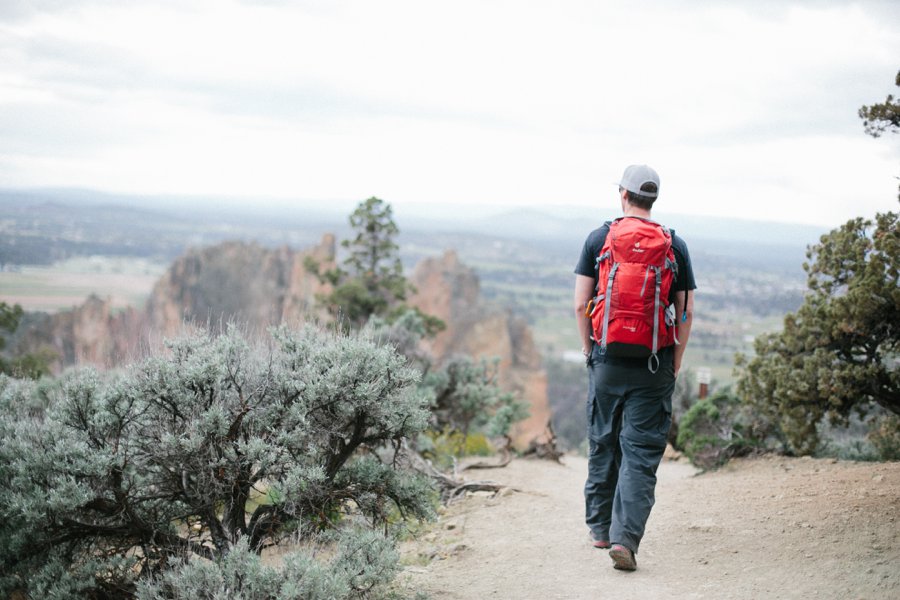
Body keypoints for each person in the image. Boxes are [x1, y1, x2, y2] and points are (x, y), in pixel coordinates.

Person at [573, 164, 696, 571]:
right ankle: (626, 540)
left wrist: (591, 350)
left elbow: (580, 304)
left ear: (622, 195)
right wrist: (674, 363)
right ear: (653, 198)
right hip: (654, 362)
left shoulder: (599, 238)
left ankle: (599, 529)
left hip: (606, 360)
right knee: (641, 452)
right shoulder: (674, 244)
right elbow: (685, 312)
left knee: (604, 439)